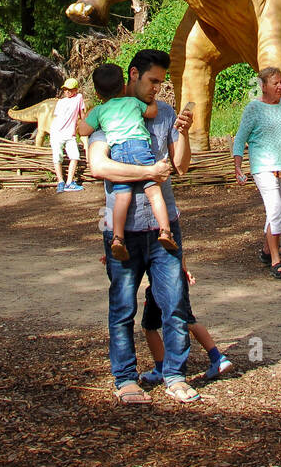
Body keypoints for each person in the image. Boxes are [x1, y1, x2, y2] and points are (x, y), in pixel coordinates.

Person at [87, 49, 200, 404]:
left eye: (161, 83)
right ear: (133, 74)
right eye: (153, 81)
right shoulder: (108, 115)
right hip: (124, 231)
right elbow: (98, 167)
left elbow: (181, 167)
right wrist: (148, 172)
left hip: (165, 226)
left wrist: (182, 134)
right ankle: (125, 379)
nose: (157, 89)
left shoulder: (164, 113)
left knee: (175, 303)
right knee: (123, 307)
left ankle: (175, 375)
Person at [78, 61, 177, 261]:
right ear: (124, 86)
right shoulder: (132, 103)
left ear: (97, 94)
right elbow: (152, 113)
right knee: (154, 192)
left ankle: (117, 238)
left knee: (122, 197)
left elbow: (83, 131)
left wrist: (86, 117)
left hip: (118, 153)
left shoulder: (99, 110)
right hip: (140, 149)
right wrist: (152, 101)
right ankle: (165, 231)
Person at [233, 66, 281, 281]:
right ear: (263, 86)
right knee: (274, 211)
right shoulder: (253, 109)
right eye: (275, 83)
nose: (280, 86)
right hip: (263, 167)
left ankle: (265, 251)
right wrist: (238, 166)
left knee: (280, 211)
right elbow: (240, 138)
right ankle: (275, 261)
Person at [139, 254, 232, 384]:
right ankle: (217, 357)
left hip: (162, 280)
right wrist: (184, 269)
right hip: (177, 276)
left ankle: (160, 369)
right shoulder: (171, 235)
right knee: (188, 321)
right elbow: (178, 247)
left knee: (150, 326)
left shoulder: (152, 235)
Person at [50, 76, 85, 192]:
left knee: (75, 156)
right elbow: (56, 118)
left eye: (70, 89)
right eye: (65, 89)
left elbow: (82, 115)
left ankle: (69, 182)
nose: (67, 92)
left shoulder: (79, 98)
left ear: (75, 90)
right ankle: (60, 181)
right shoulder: (60, 102)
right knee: (57, 157)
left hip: (70, 134)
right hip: (57, 133)